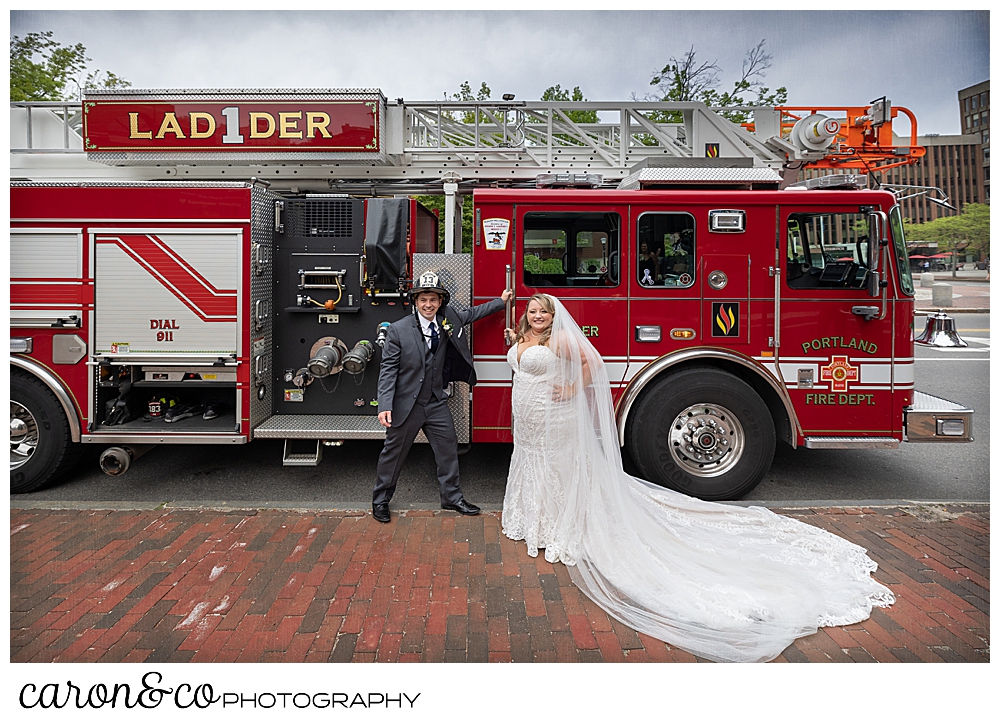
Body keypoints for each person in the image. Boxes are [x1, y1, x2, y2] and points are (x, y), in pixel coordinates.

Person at [502, 293, 895, 663]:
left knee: (561, 467)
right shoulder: (522, 336)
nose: (538, 317)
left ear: (554, 317)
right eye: (533, 312)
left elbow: (594, 364)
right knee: (537, 462)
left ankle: (561, 521)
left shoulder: (559, 341)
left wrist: (572, 387)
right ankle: (538, 518)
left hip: (556, 417)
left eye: (544, 312)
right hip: (530, 419)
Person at [372, 273, 512, 524]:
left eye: (433, 299)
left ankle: (451, 497)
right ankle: (381, 500)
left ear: (440, 301)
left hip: (436, 401)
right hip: (408, 404)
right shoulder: (398, 330)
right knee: (393, 454)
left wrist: (500, 302)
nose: (428, 304)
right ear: (415, 301)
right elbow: (388, 370)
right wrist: (385, 404)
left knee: (448, 450)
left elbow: (472, 314)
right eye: (423, 299)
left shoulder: (450, 320)